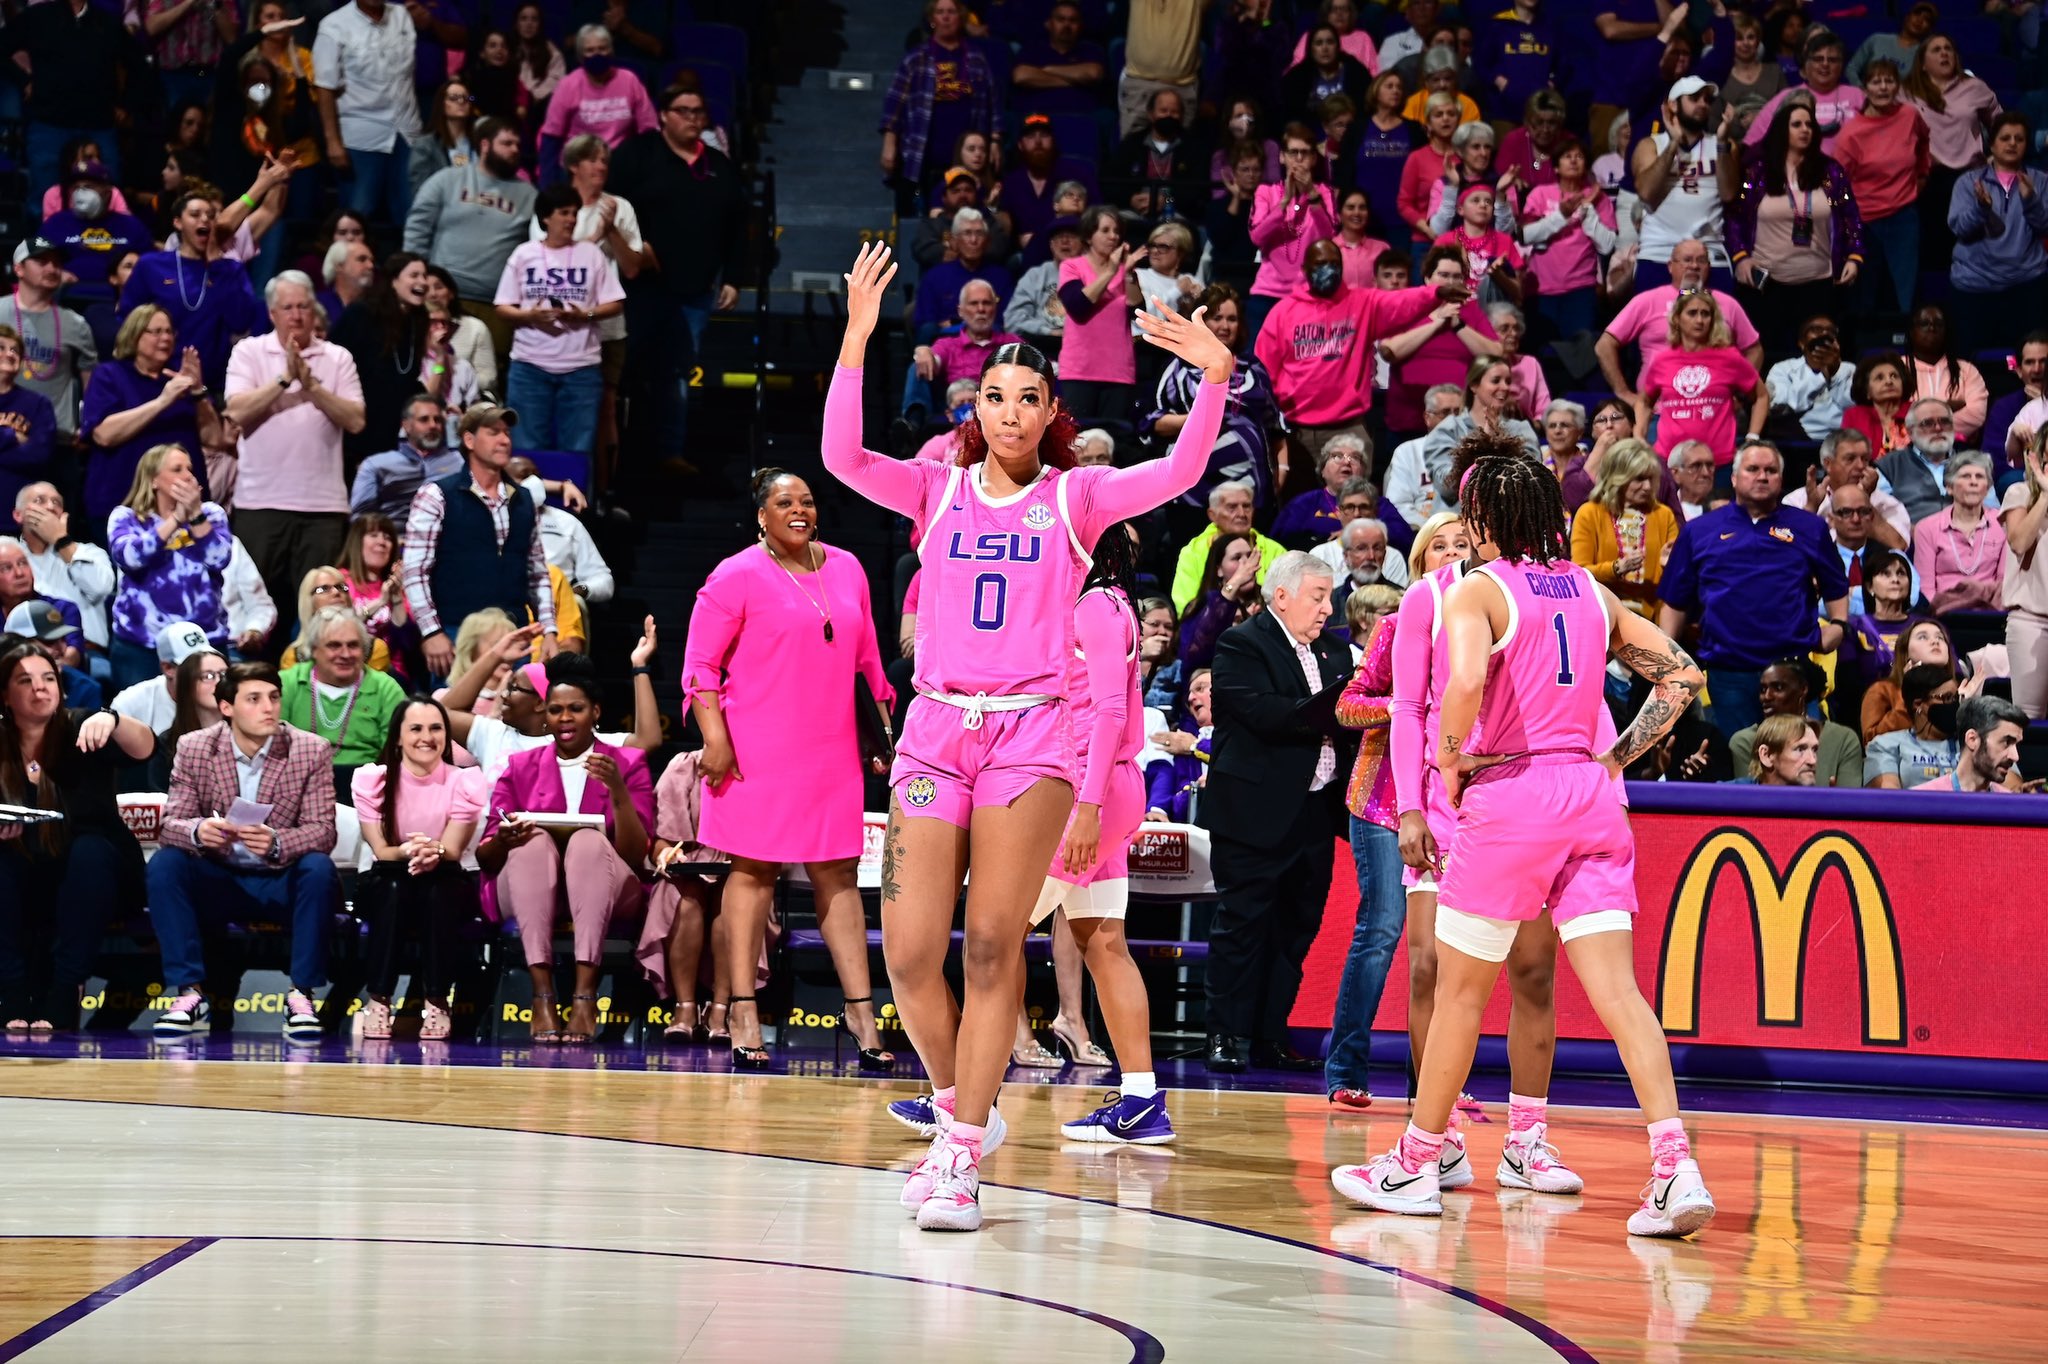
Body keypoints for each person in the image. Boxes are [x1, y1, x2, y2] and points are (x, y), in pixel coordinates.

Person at [825, 242, 1231, 1232]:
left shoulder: (1075, 497)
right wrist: (855, 338)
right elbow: (840, 459)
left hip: (1030, 737)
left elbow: (1181, 467)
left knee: (997, 940)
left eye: (1026, 395)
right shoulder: (936, 489)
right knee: (912, 955)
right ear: (973, 410)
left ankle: (959, 1154)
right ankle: (968, 1102)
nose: (1008, 408)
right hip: (932, 733)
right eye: (992, 394)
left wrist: (1214, 375)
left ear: (1052, 411)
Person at [1334, 452, 1714, 1238]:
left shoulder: (1479, 589)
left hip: (1514, 798)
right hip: (1593, 800)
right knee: (1620, 996)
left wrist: (1448, 756)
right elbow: (1680, 676)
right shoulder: (1591, 590)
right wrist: (1616, 757)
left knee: (1460, 996)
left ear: (1481, 522)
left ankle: (1413, 1162)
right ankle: (1674, 1167)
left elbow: (1465, 679)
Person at [682, 469, 896, 1071]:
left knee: (839, 875)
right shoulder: (736, 574)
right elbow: (700, 667)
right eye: (784, 502)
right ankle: (742, 1010)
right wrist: (715, 741)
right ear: (762, 515)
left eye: (806, 500)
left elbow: (868, 660)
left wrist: (882, 731)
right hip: (755, 748)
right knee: (752, 874)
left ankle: (861, 1012)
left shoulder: (848, 568)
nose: (798, 510)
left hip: (830, 747)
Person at [1036, 526, 1176, 1142]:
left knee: (994, 934)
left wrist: (1087, 807)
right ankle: (1142, 1100)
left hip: (1088, 792)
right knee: (1104, 942)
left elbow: (1112, 713)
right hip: (1112, 786)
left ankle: (960, 1101)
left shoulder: (1094, 605)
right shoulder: (1114, 603)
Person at [1197, 551, 1354, 1076]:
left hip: (1315, 813)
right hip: (1252, 815)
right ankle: (1225, 1034)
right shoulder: (1241, 643)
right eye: (1318, 596)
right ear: (1281, 596)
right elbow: (1263, 713)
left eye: (1330, 597)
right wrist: (1340, 707)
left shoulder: (1336, 653)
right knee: (1242, 928)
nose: (1328, 609)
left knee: (1297, 929)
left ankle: (1270, 1035)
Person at [146, 660, 339, 1040]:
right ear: (227, 707)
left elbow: (323, 831)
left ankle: (301, 995)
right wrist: (200, 832)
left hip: (278, 879)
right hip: (218, 878)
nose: (268, 708)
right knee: (166, 865)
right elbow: (171, 825)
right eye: (254, 699)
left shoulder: (310, 750)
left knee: (318, 868)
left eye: (273, 698)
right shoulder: (195, 746)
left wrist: (278, 842)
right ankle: (189, 994)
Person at [476, 656, 651, 1044]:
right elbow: (485, 858)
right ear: (545, 715)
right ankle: (543, 994)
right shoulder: (520, 766)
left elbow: (636, 856)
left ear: (595, 712)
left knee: (588, 842)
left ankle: (585, 995)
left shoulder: (628, 762)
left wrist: (618, 790)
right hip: (529, 885)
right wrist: (504, 839)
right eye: (556, 710)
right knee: (533, 843)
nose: (565, 718)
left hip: (606, 887)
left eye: (576, 709)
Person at [0, 641, 151, 1031]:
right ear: (5, 694)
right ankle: (12, 993)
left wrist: (114, 719)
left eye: (49, 678)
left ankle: (64, 992)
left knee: (88, 851)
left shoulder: (83, 724)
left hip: (97, 880)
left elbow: (145, 749)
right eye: (25, 681)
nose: (40, 688)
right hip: (27, 879)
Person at [1659, 440, 1849, 737]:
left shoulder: (1810, 528)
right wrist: (1666, 659)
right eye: (1753, 469)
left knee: (1801, 762)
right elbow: (1675, 601)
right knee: (1737, 761)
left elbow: (1836, 585)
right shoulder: (1699, 531)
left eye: (1770, 470)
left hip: (1792, 668)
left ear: (1781, 480)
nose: (1762, 476)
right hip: (1727, 670)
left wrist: (1838, 625)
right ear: (1734, 478)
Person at [1255, 239, 1468, 493]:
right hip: (1297, 429)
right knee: (1299, 508)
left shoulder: (1362, 303)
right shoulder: (1283, 313)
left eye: (1334, 264)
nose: (1328, 269)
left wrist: (1435, 293)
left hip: (1348, 426)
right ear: (1306, 267)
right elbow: (1264, 371)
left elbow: (1402, 302)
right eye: (1321, 263)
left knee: (1354, 504)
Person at [222, 272, 367, 626]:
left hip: (323, 509)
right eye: (288, 308)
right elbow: (237, 410)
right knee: (254, 609)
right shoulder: (249, 352)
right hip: (260, 505)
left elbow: (356, 420)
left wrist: (311, 385)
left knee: (321, 616)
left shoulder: (338, 358)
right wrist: (284, 379)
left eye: (304, 306)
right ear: (272, 314)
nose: (297, 315)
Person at [348, 696, 483, 1040]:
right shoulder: (372, 780)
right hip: (389, 873)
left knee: (438, 892)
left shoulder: (465, 781)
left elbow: (452, 849)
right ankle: (378, 999)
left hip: (445, 874)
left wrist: (433, 850)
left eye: (436, 728)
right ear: (397, 737)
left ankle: (437, 1000)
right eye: (416, 729)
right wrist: (408, 851)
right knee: (394, 890)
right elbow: (380, 850)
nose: (427, 737)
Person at [1323, 571, 1404, 1108]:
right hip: (1382, 799)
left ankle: (1438, 1082)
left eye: (1458, 545)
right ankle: (1346, 1067)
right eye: (1438, 546)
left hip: (1454, 804)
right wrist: (1400, 707)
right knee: (1381, 928)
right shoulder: (1396, 629)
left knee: (1449, 948)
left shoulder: (1487, 628)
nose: (1451, 555)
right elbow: (1348, 706)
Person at [403, 405, 558, 678]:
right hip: (456, 634)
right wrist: (431, 631)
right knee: (454, 716)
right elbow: (415, 572)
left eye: (507, 433)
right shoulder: (437, 495)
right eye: (494, 432)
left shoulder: (523, 500)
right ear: (469, 440)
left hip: (514, 635)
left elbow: (537, 574)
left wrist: (549, 630)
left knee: (513, 717)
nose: (505, 440)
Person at [493, 184, 625, 456]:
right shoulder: (523, 254)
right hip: (529, 367)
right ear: (545, 217)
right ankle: (531, 500)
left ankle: (575, 498)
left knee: (577, 451)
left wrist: (583, 315)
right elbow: (503, 307)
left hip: (581, 369)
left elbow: (615, 303)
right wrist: (530, 315)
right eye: (564, 213)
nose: (571, 219)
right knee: (526, 450)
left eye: (575, 213)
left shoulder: (591, 254)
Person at [1142, 284, 1280, 520]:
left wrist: (1281, 472)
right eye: (1217, 318)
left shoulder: (1254, 368)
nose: (1225, 326)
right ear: (1203, 323)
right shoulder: (1179, 368)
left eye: (1232, 319)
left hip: (1252, 491)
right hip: (1194, 492)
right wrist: (1202, 416)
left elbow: (1275, 427)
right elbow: (1151, 422)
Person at [80, 306, 223, 528]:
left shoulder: (180, 379)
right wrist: (161, 402)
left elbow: (215, 439)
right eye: (155, 332)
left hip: (182, 505)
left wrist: (198, 392)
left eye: (169, 332)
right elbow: (103, 435)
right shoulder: (109, 375)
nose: (165, 338)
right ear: (134, 335)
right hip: (123, 502)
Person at [404, 117, 539, 350]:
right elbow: (417, 226)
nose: (515, 150)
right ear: (485, 145)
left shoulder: (528, 194)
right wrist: (418, 279)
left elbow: (537, 250)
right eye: (506, 143)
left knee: (488, 374)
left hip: (496, 303)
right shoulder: (447, 179)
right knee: (437, 364)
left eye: (517, 145)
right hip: (441, 298)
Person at [106, 445, 231, 692]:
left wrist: (194, 516)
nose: (188, 476)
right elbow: (130, 557)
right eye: (177, 469)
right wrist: (175, 520)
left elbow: (219, 558)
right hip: (142, 644)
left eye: (190, 469)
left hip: (204, 641)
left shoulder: (210, 514)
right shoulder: (126, 518)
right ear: (153, 480)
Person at [1597, 238, 1761, 401]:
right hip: (1657, 411)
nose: (1694, 266)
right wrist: (1624, 393)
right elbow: (1604, 345)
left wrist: (1739, 394)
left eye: (1701, 260)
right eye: (1687, 260)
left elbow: (1755, 350)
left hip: (1714, 410)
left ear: (1709, 267)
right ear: (1670, 266)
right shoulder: (1647, 301)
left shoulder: (1727, 304)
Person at [1833, 59, 1930, 319]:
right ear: (1865, 89)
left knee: (1906, 297)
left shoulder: (1910, 115)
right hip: (1866, 223)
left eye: (1889, 81)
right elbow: (1835, 183)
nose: (1884, 87)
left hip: (1904, 218)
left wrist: (1921, 177)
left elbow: (1923, 148)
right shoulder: (1851, 134)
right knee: (1866, 299)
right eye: (1876, 82)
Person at [878, 0, 998, 208]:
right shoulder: (916, 57)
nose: (945, 17)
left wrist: (995, 139)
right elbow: (895, 101)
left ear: (960, 18)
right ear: (932, 19)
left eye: (951, 12)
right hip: (920, 152)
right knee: (914, 213)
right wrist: (889, 143)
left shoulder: (976, 58)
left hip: (964, 154)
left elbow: (992, 101)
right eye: (940, 12)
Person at [312, 0, 423, 223]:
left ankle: (408, 259)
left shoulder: (402, 16)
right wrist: (332, 141)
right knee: (358, 214)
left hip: (407, 132)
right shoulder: (334, 25)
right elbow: (324, 88)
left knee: (413, 214)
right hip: (361, 135)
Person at [279, 604, 406, 799]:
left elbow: (396, 754)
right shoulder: (286, 684)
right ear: (313, 650)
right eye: (334, 645)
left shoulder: (386, 689)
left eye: (353, 645)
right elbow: (274, 748)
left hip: (367, 790)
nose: (345, 654)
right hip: (296, 786)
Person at [1947, 113, 2048, 357]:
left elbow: (2045, 227)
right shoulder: (1968, 182)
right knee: (1969, 362)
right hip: (1975, 286)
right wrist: (1981, 208)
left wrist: (2030, 201)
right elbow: (1960, 228)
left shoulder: (2041, 181)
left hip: (2026, 285)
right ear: (1992, 144)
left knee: (2026, 361)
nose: (2012, 143)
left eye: (2019, 139)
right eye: (2005, 138)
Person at [1636, 288, 1767, 466]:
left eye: (1705, 314)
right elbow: (1644, 401)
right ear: (1677, 318)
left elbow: (1761, 395)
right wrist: (1639, 435)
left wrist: (1752, 438)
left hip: (1718, 464)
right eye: (1692, 313)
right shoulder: (1663, 360)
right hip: (1669, 463)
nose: (1700, 320)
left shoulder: (1729, 357)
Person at [1633, 78, 1741, 293]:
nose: (1703, 104)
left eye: (1707, 99)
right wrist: (1674, 144)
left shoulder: (1724, 145)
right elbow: (1646, 192)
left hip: (1709, 253)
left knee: (1716, 324)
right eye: (1694, 98)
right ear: (1673, 105)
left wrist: (1721, 144)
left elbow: (1729, 194)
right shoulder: (1651, 144)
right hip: (1660, 251)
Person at [1380, 246, 1499, 439]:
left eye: (1457, 276)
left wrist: (1458, 325)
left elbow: (1495, 354)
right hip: (1409, 420)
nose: (1450, 282)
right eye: (1443, 275)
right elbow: (1390, 351)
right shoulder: (1408, 307)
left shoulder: (1471, 312)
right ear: (1427, 278)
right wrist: (1437, 323)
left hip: (1459, 421)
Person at [331, 254, 434, 466]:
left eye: (424, 276)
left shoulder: (417, 321)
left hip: (389, 427)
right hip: (356, 423)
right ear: (393, 281)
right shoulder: (362, 314)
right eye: (414, 275)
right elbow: (334, 360)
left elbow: (406, 377)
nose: (422, 282)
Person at [2, 236, 98, 444]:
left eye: (56, 263)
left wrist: (87, 424)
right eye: (42, 261)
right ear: (18, 269)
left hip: (56, 436)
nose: (52, 268)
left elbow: (89, 383)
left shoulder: (76, 324)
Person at [1571, 438, 1680, 618]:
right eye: (1639, 479)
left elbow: (1674, 582)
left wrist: (1670, 567)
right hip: (1604, 616)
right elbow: (1579, 573)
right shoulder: (1589, 513)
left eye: (1650, 479)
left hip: (1652, 620)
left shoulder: (1663, 514)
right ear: (1617, 478)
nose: (1647, 487)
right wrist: (1616, 569)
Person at [1520, 138, 1615, 340]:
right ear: (1555, 167)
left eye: (1579, 156)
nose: (1573, 161)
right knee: (1544, 353)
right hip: (1540, 290)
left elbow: (1606, 246)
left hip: (1581, 290)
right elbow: (1526, 236)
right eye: (1567, 156)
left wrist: (1587, 208)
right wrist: (1561, 216)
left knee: (1580, 357)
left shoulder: (1599, 199)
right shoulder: (1540, 194)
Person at [14, 483, 113, 673]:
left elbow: (99, 589)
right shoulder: (9, 556)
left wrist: (61, 541)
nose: (50, 507)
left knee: (102, 673)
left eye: (56, 502)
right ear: (18, 515)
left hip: (88, 655)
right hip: (21, 652)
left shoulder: (90, 552)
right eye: (39, 501)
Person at [1052, 207, 1138, 424]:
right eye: (1106, 230)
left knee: (1115, 441)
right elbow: (1078, 306)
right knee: (1077, 440)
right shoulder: (1072, 266)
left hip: (1118, 371)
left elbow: (1137, 312)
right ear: (1089, 236)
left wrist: (1127, 273)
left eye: (1117, 231)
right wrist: (1110, 272)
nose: (1113, 236)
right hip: (1079, 371)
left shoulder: (1124, 270)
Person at [1418, 357, 1542, 504]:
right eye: (1496, 380)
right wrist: (1483, 446)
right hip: (1457, 521)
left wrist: (1500, 444)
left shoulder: (1521, 429)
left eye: (1508, 381)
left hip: (1508, 519)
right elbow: (1448, 487)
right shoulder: (1446, 430)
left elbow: (1532, 479)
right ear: (1474, 385)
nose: (1505, 387)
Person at [1726, 658, 1864, 790]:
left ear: (1803, 689)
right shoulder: (1744, 741)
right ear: (1765, 755)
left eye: (1778, 687)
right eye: (1762, 689)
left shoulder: (1843, 738)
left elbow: (1852, 805)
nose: (1767, 696)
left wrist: (1834, 806)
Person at [537, 24, 657, 176]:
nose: (597, 55)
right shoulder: (568, 85)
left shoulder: (629, 80)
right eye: (590, 50)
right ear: (581, 56)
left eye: (602, 49)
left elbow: (648, 129)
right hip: (578, 167)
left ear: (611, 51)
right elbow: (551, 137)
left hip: (619, 166)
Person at [1170, 481, 1286, 615]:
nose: (1241, 513)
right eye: (1232, 507)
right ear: (1212, 515)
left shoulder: (1276, 550)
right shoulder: (1192, 552)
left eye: (1246, 506)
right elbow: (1186, 608)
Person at [1783, 428, 1910, 549]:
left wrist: (1865, 500)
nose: (1860, 466)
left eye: (1865, 459)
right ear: (1828, 464)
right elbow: (1785, 547)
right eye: (1850, 459)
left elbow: (1898, 546)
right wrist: (1810, 508)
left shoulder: (1886, 503)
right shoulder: (1796, 500)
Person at [1912, 451, 2007, 613]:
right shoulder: (1926, 528)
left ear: (1987, 488)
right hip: (1944, 614)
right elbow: (1926, 589)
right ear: (1949, 487)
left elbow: (2004, 582)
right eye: (1965, 476)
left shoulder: (2003, 524)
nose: (1973, 482)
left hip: (1991, 613)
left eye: (1979, 476)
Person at [1746, 31, 1864, 159]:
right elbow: (1751, 145)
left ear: (1841, 66)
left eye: (1832, 60)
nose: (1825, 64)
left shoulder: (1857, 96)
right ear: (1806, 65)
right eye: (1818, 59)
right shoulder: (1787, 97)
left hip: (1849, 173)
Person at [1860, 617, 1974, 744]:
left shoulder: (1961, 690)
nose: (1935, 641)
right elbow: (1871, 741)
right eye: (1922, 637)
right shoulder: (1882, 690)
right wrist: (1907, 694)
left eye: (1940, 638)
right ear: (1906, 652)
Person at [350, 394, 461, 525]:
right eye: (424, 419)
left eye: (437, 420)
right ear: (406, 425)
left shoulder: (458, 462)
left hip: (447, 539)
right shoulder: (376, 465)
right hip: (395, 539)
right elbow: (360, 517)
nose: (432, 425)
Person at [1903, 304, 1989, 448]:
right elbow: (1894, 415)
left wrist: (1921, 420)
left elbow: (1976, 415)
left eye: (1938, 324)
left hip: (1955, 448)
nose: (1932, 328)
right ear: (1912, 332)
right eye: (1925, 324)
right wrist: (1948, 407)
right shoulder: (1898, 368)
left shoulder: (1966, 370)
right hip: (1908, 448)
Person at [1863, 662, 1961, 788]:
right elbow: (1888, 797)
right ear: (1918, 704)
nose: (1953, 704)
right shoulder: (1885, 744)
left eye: (1955, 698)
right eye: (1946, 698)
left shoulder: (1968, 744)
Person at [2006, 437, 2048, 719]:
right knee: (2028, 719)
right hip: (2032, 621)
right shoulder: (2020, 493)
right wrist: (2045, 496)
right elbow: (2019, 542)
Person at [1765, 316, 1857, 443]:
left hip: (1842, 442)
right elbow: (1782, 407)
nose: (1825, 334)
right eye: (1816, 329)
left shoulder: (1849, 369)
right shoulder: (1783, 369)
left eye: (1831, 331)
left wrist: (1835, 373)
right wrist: (1818, 375)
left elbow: (1852, 406)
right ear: (1802, 343)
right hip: (1798, 442)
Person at [1011, 1, 1109, 119]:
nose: (1067, 25)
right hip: (1037, 117)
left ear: (1081, 25)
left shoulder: (1091, 49)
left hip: (1083, 115)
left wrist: (1048, 69)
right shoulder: (1032, 49)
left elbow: (1094, 74)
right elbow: (1021, 76)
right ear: (1048, 24)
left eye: (1073, 20)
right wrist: (1078, 81)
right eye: (1061, 20)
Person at [1876, 398, 1963, 527]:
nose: (1938, 428)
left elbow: (1992, 510)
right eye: (1927, 423)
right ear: (1910, 431)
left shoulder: (1970, 463)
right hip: (1911, 540)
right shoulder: (1890, 466)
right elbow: (1879, 516)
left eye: (1945, 421)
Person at [1923, 695, 2029, 792]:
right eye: (2006, 742)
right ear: (1972, 739)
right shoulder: (1922, 801)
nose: (2015, 757)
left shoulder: (2010, 805)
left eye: (2015, 744)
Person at [1841, 352, 1917, 456]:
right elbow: (1848, 455)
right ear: (1867, 390)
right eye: (1879, 378)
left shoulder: (1917, 411)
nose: (1889, 381)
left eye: (1894, 376)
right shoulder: (1854, 416)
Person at [1734, 713, 1820, 786]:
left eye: (1814, 750)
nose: (1812, 761)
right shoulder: (1728, 797)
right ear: (1766, 755)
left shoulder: (1820, 802)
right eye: (1800, 749)